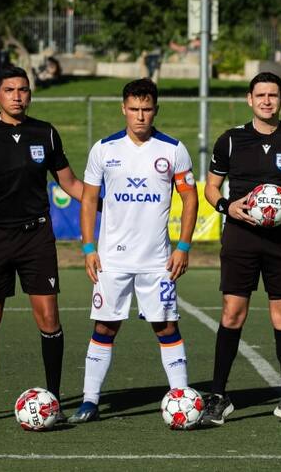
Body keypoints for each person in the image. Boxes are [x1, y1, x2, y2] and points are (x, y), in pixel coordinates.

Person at [0, 66, 84, 424]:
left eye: (23, 90)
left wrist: (106, 200)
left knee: (49, 317)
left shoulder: (46, 132)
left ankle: (54, 401)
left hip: (36, 237)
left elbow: (70, 183)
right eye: (10, 90)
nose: (18, 96)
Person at [68, 78, 198, 423]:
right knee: (105, 327)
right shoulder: (104, 149)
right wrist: (88, 248)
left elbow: (190, 199)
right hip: (112, 259)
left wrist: (183, 246)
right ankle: (90, 401)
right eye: (134, 109)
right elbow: (89, 200)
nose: (140, 116)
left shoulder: (173, 149)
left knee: (166, 327)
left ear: (156, 110)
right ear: (123, 109)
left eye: (147, 109)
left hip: (158, 261)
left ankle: (181, 397)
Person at [201, 72, 281, 426]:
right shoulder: (231, 140)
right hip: (241, 238)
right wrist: (227, 207)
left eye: (273, 95)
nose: (267, 101)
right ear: (250, 99)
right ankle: (219, 395)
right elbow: (211, 187)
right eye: (260, 95)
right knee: (233, 313)